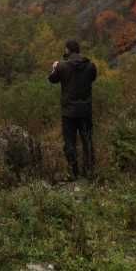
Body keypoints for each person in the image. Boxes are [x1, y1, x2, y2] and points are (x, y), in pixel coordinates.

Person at [49, 39, 97, 179]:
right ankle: (89, 172)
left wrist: (54, 67)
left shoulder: (62, 66)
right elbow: (93, 78)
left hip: (68, 112)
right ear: (79, 50)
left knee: (69, 142)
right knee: (87, 140)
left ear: (67, 50)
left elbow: (52, 79)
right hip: (85, 111)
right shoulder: (90, 66)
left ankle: (73, 172)